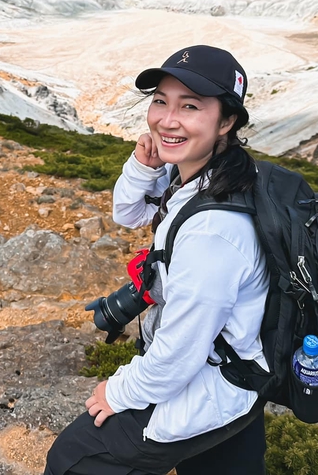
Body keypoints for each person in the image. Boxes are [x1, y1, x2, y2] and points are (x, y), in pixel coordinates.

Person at [44, 45, 269, 475]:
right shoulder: (217, 173)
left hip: (214, 378)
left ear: (227, 121)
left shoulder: (213, 233)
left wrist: (119, 390)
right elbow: (128, 213)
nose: (167, 119)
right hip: (242, 367)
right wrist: (143, 166)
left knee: (72, 460)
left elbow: (179, 356)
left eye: (190, 106)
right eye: (160, 101)